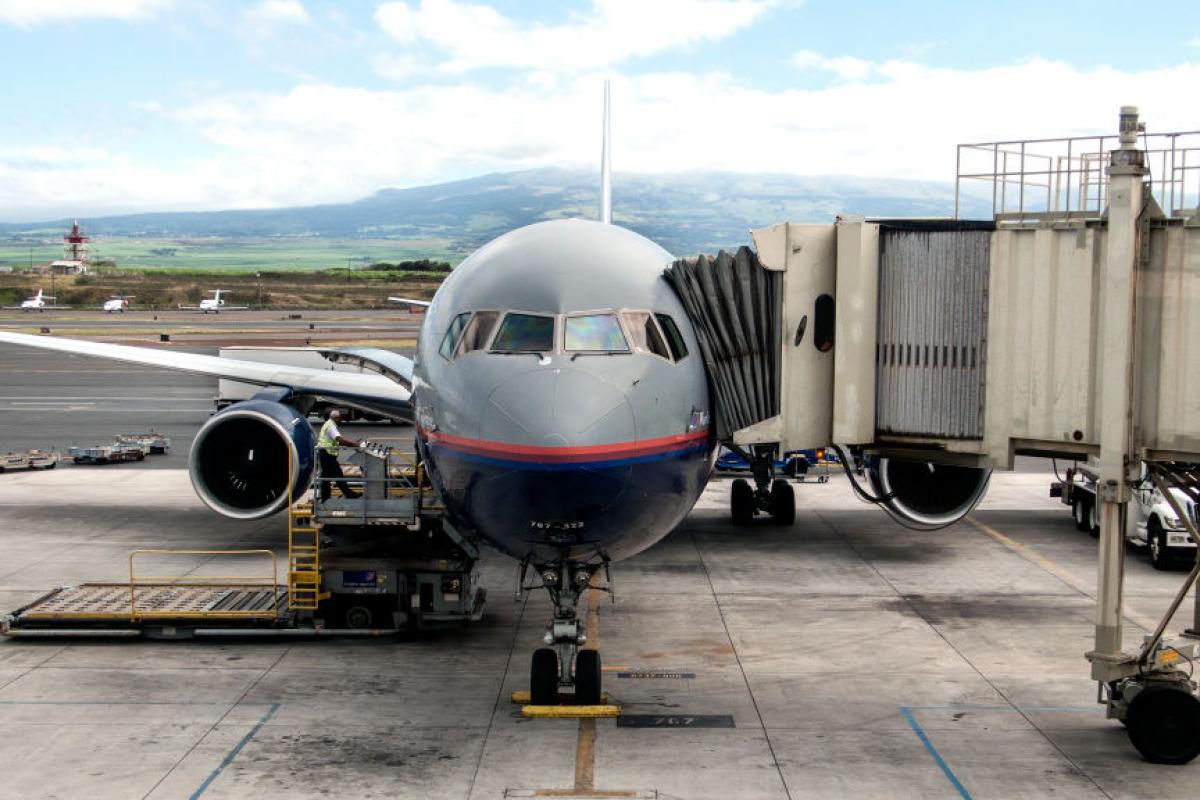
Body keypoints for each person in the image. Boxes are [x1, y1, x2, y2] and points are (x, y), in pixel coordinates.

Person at [316, 409, 362, 500]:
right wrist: (353, 444)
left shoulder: (328, 424)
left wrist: (351, 443)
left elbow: (337, 441)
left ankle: (325, 498)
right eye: (340, 418)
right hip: (327, 455)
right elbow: (339, 439)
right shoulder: (331, 426)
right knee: (337, 475)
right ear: (336, 418)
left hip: (325, 454)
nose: (341, 419)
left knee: (326, 477)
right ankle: (348, 494)